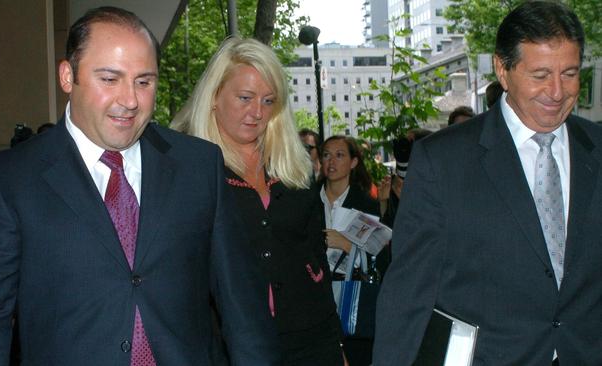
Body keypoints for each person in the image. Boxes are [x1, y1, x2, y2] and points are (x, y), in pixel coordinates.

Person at [0, 7, 280, 365]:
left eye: (144, 81)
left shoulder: (198, 166)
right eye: (110, 79)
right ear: (67, 76)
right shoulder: (12, 180)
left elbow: (243, 309)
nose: (130, 101)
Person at [373, 2, 602, 365]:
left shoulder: (597, 149)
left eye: (570, 73)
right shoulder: (443, 162)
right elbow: (408, 294)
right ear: (503, 69)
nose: (557, 92)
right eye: (540, 75)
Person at [174, 37, 344, 366]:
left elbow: (315, 260)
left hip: (311, 340)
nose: (257, 112)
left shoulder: (293, 164)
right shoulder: (187, 171)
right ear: (213, 96)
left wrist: (336, 344)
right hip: (228, 346)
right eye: (245, 98)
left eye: (268, 101)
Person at [318, 135, 382, 365]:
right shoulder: (307, 200)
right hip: (315, 291)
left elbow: (378, 257)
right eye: (326, 155)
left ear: (353, 162)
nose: (331, 162)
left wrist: (346, 244)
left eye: (339, 155)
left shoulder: (365, 204)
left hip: (350, 293)